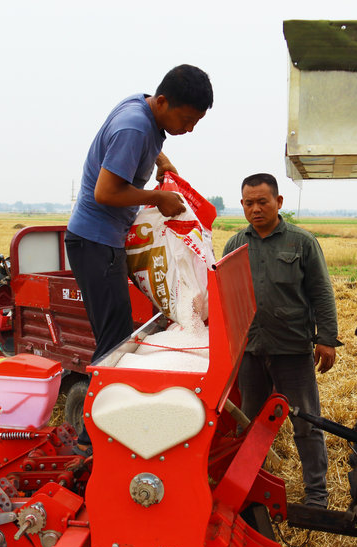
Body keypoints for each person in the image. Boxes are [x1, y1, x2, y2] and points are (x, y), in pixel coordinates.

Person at [65, 64, 213, 452]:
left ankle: (104, 430)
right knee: (113, 344)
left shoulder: (142, 108)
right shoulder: (135, 125)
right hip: (96, 241)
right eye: (186, 120)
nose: (190, 129)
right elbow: (105, 193)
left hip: (101, 240)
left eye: (196, 122)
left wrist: (161, 162)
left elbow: (147, 139)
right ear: (162, 102)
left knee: (116, 338)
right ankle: (94, 439)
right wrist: (156, 197)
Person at [222, 172, 341, 508]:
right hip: (251, 350)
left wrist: (327, 339)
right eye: (249, 203)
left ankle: (316, 494)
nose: (255, 208)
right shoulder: (235, 245)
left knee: (305, 421)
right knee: (250, 423)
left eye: (263, 201)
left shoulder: (301, 243)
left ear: (279, 202)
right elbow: (228, 296)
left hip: (292, 349)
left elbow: (321, 293)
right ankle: (250, 489)